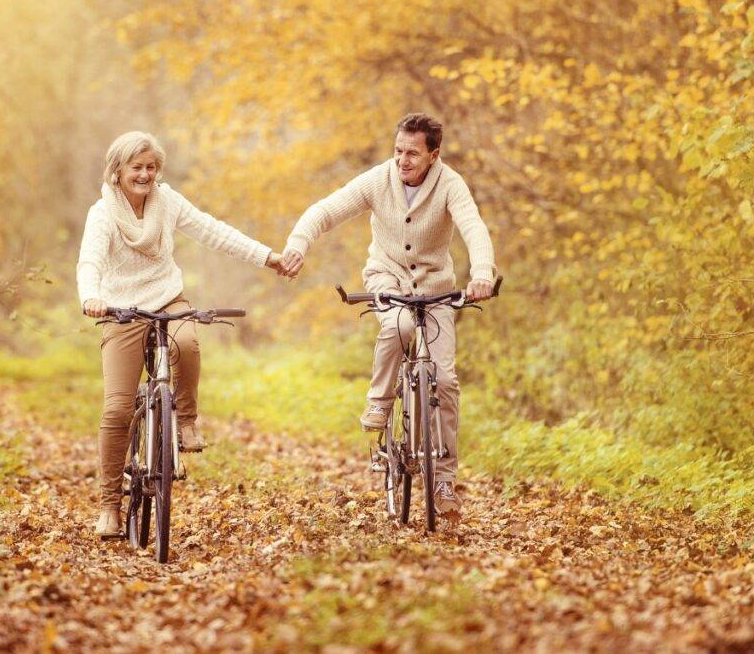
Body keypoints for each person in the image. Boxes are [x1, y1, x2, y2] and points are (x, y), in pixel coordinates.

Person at [280, 112, 496, 521]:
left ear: (433, 154)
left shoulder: (450, 184)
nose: (403, 160)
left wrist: (482, 273)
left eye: (412, 153)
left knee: (446, 381)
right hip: (388, 279)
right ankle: (379, 402)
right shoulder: (379, 180)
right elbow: (326, 211)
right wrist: (298, 244)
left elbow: (474, 228)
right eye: (398, 151)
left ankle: (444, 481)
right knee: (396, 325)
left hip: (436, 291)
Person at [78, 131, 285, 538]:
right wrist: (92, 296)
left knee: (187, 341)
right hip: (121, 310)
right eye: (136, 167)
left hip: (168, 299)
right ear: (117, 171)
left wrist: (268, 257)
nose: (145, 174)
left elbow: (213, 231)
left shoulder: (167, 202)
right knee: (118, 408)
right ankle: (109, 507)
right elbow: (90, 261)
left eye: (151, 167)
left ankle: (185, 421)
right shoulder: (102, 214)